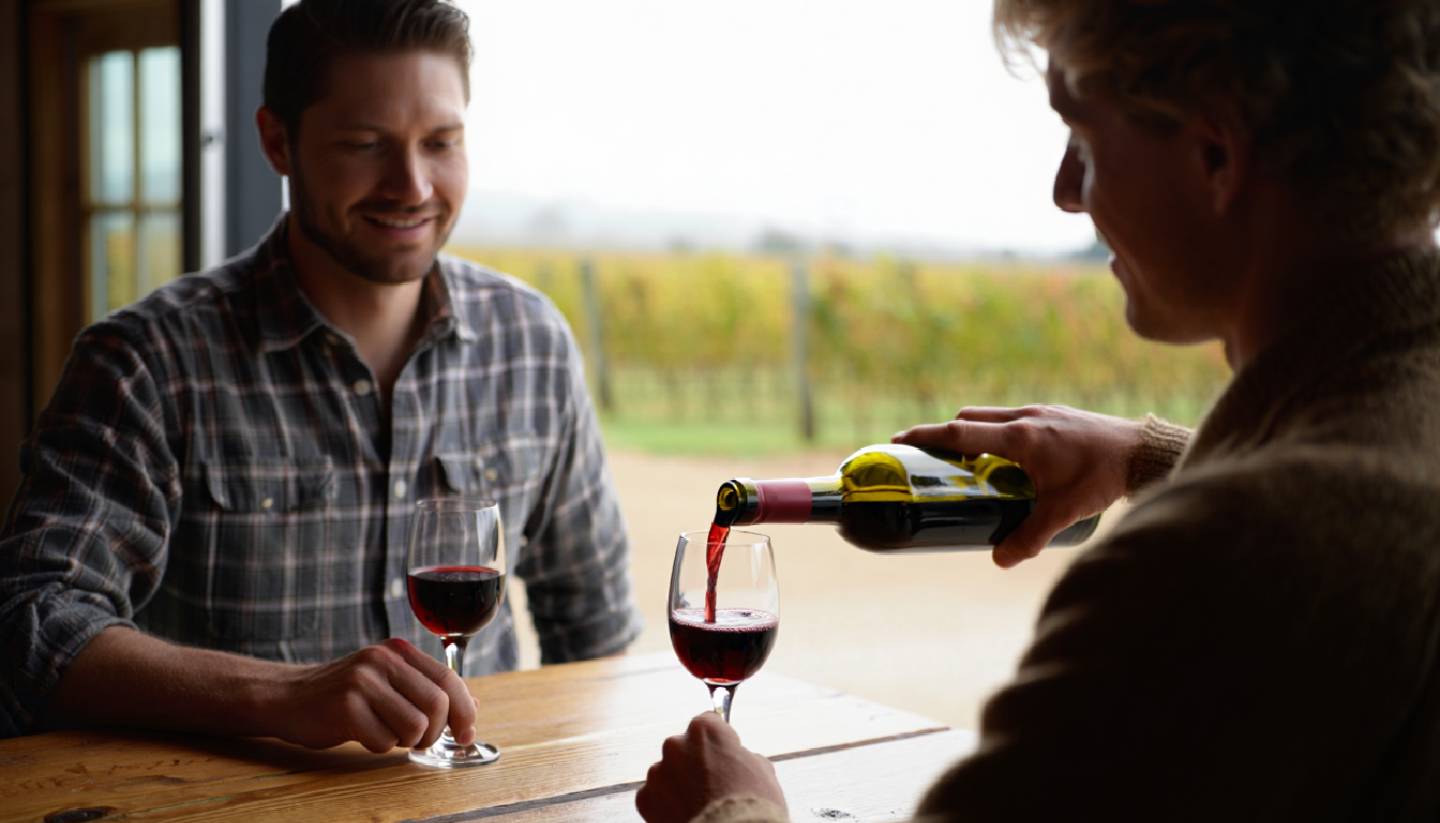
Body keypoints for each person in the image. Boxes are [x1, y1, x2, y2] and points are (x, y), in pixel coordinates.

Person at [637, 1, 1440, 819]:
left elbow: (1289, 532)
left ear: (1215, 151)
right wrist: (1145, 456)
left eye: (1082, 139)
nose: (1064, 193)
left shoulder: (1212, 561)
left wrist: (729, 808)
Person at [0, 0, 641, 750]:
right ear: (277, 141)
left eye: (441, 142)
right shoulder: (145, 363)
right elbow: (28, 623)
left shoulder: (532, 343)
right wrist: (283, 693)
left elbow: (598, 640)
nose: (412, 185)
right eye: (366, 144)